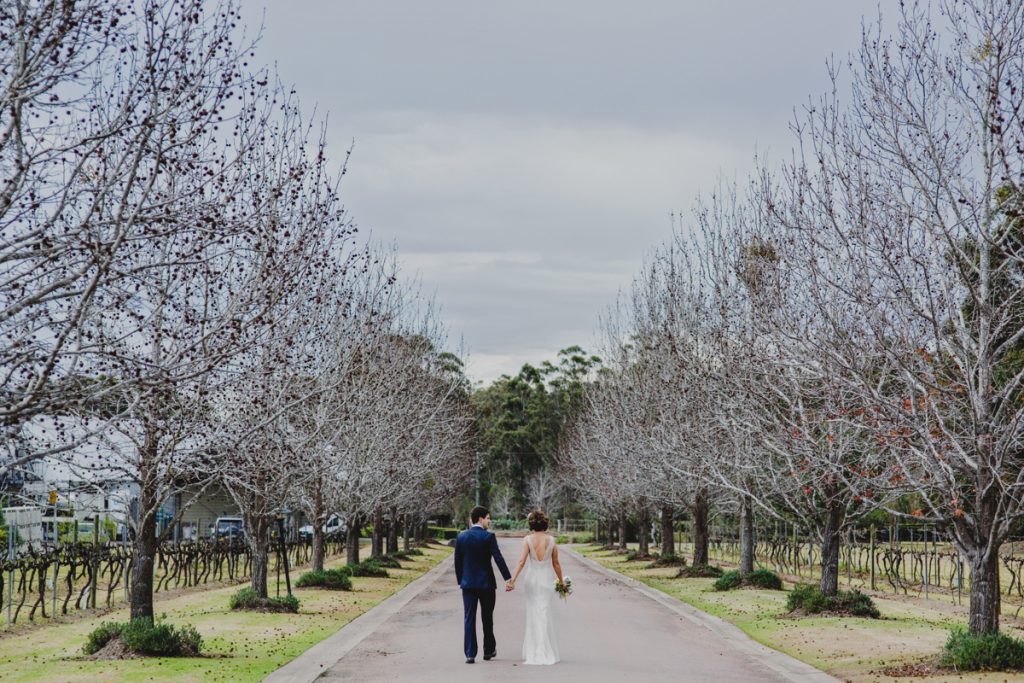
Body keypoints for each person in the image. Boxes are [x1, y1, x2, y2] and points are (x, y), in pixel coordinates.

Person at [453, 506, 512, 664]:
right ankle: (488, 651)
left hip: (468, 585)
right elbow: (498, 558)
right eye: (487, 517)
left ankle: (470, 654)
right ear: (480, 519)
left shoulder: (461, 537)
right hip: (487, 585)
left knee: (469, 618)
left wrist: (461, 580)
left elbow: (457, 561)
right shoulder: (488, 537)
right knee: (487, 618)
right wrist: (508, 578)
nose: (489, 520)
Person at [507, 509, 564, 665]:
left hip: (531, 580)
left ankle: (536, 650)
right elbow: (556, 563)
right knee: (543, 612)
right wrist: (561, 581)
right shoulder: (551, 541)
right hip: (546, 579)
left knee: (534, 612)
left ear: (531, 524)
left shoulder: (527, 539)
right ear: (545, 523)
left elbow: (521, 562)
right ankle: (543, 649)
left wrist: (513, 580)